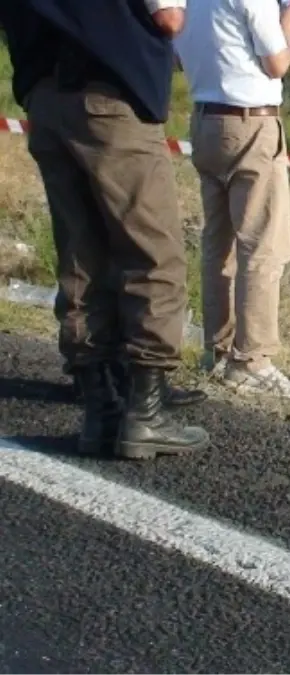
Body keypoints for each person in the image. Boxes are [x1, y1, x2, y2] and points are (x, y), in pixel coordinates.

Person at [0, 0, 210, 458]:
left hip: (45, 94)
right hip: (110, 95)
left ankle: (101, 409)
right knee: (152, 253)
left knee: (80, 252)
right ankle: (145, 412)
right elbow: (168, 16)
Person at [173, 0, 290, 399]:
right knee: (262, 245)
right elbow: (277, 63)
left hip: (205, 120)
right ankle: (252, 360)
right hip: (250, 122)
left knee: (219, 244)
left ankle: (217, 351)